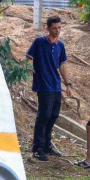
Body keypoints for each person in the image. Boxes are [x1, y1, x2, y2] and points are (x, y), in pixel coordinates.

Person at [26, 15, 73, 161]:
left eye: (59, 28)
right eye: (54, 28)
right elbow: (28, 58)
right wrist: (27, 72)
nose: (57, 31)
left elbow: (62, 65)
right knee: (43, 115)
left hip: (55, 85)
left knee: (53, 115)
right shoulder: (39, 42)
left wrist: (68, 84)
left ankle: (46, 144)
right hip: (43, 85)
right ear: (47, 28)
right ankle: (38, 147)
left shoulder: (60, 45)